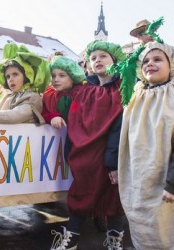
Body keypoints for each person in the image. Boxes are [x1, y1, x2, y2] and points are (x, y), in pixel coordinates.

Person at [117, 41, 174, 249]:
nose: (150, 64)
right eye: (146, 61)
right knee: (146, 231)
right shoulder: (137, 96)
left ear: (172, 64)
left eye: (158, 59)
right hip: (142, 179)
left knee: (173, 231)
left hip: (169, 182)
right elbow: (126, 137)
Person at [50, 40, 129, 250]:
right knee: (81, 193)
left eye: (103, 56)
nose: (98, 60)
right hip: (84, 153)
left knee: (112, 198)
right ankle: (71, 239)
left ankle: (114, 240)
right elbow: (58, 95)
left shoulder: (123, 89)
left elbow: (120, 127)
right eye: (93, 57)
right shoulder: (84, 89)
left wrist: (113, 161)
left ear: (115, 60)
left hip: (109, 154)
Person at [0, 42, 49, 128]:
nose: (10, 79)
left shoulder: (33, 97)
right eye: (8, 76)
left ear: (26, 75)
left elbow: (18, 114)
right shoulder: (10, 96)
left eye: (15, 74)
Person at [42, 55, 86, 129]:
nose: (56, 79)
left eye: (62, 76)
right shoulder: (49, 96)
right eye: (53, 76)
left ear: (73, 77)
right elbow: (43, 112)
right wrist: (52, 117)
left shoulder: (82, 94)